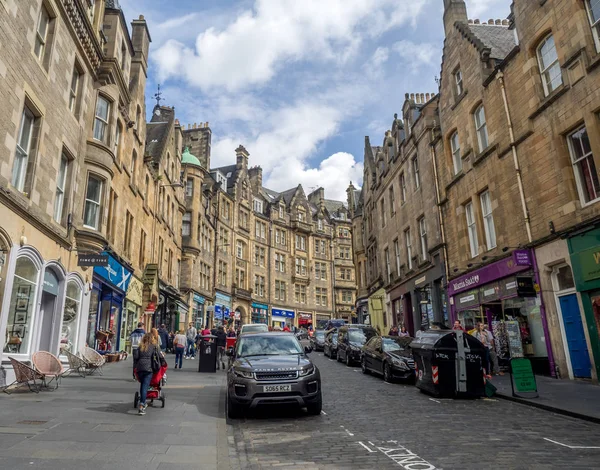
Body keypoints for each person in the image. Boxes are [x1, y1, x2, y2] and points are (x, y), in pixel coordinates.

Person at [133, 332, 166, 415]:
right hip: (149, 368)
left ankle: (142, 401)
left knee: (143, 385)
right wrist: (163, 363)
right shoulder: (154, 346)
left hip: (140, 368)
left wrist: (134, 369)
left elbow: (136, 357)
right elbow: (159, 356)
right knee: (145, 386)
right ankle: (141, 405)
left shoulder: (140, 346)